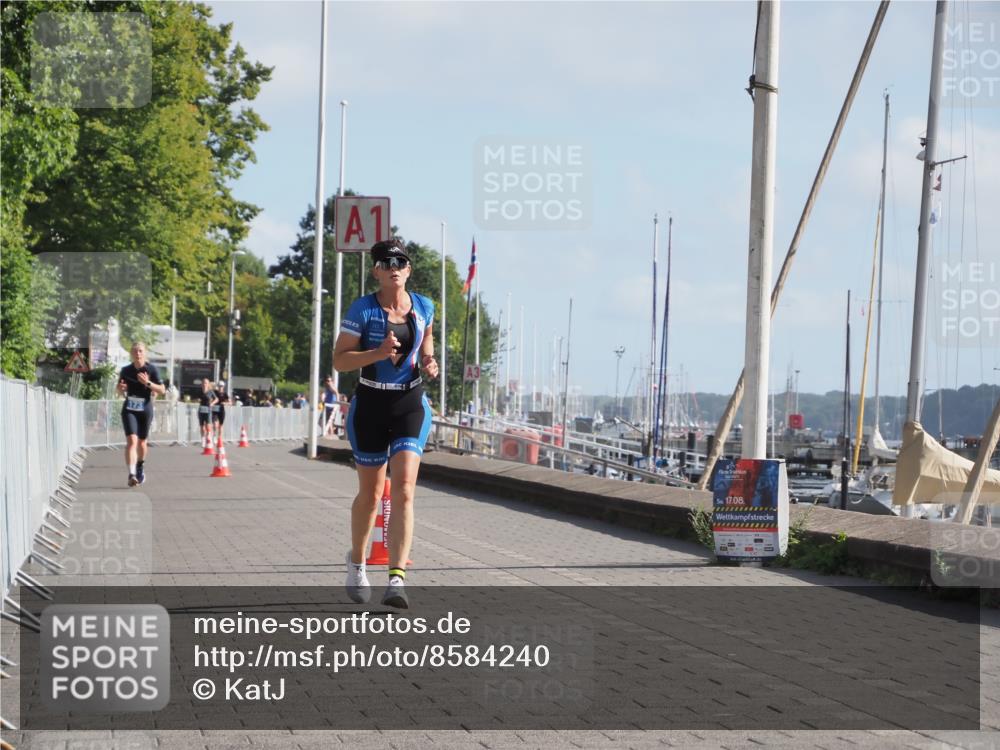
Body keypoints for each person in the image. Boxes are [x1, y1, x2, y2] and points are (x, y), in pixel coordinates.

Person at [333, 238, 438, 608]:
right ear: (376, 271)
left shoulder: (424, 306)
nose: (394, 266)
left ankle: (397, 580)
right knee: (372, 494)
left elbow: (426, 340)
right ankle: (358, 563)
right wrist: (376, 353)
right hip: (371, 403)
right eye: (386, 262)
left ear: (408, 269)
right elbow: (340, 361)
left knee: (405, 490)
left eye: (401, 261)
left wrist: (429, 361)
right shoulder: (362, 310)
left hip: (409, 402)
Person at [116, 342, 166, 486]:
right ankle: (131, 474)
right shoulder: (126, 370)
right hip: (130, 408)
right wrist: (120, 388)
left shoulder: (152, 369)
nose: (138, 353)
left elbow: (162, 390)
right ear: (131, 353)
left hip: (145, 408)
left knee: (142, 443)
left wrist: (148, 383)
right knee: (132, 441)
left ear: (145, 353)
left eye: (140, 351)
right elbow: (119, 391)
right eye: (135, 351)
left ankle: (139, 466)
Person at [197, 379, 218, 446]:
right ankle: (203, 440)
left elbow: (217, 399)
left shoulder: (210, 392)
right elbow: (195, 399)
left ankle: (209, 439)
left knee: (208, 426)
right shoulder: (199, 391)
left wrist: (212, 403)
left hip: (208, 410)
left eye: (205, 383)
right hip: (201, 410)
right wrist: (197, 400)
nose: (204, 384)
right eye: (203, 383)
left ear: (208, 384)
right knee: (202, 426)